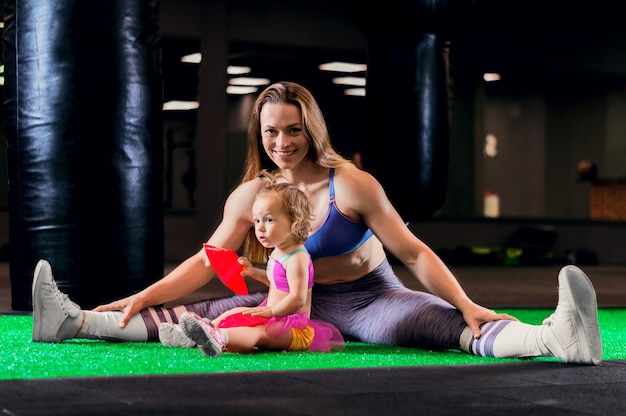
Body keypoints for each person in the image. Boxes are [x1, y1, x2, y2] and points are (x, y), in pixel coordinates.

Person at [32, 81, 602, 366]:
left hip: (368, 298)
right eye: (271, 131)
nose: (282, 143)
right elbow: (212, 261)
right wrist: (141, 293)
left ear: (313, 130)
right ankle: (72, 321)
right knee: (199, 317)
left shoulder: (351, 182)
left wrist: (470, 303)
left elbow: (413, 252)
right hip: (290, 301)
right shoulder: (251, 194)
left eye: (293, 130)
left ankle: (555, 337)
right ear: (259, 132)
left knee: (444, 326)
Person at [166, 172, 344, 356]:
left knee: (260, 332)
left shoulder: (297, 258)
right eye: (257, 220)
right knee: (237, 312)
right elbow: (277, 284)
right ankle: (198, 331)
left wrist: (271, 311)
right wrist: (254, 272)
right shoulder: (279, 251)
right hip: (274, 316)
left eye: (268, 220)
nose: (259, 227)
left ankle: (220, 337)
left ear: (294, 222)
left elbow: (297, 299)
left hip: (294, 327)